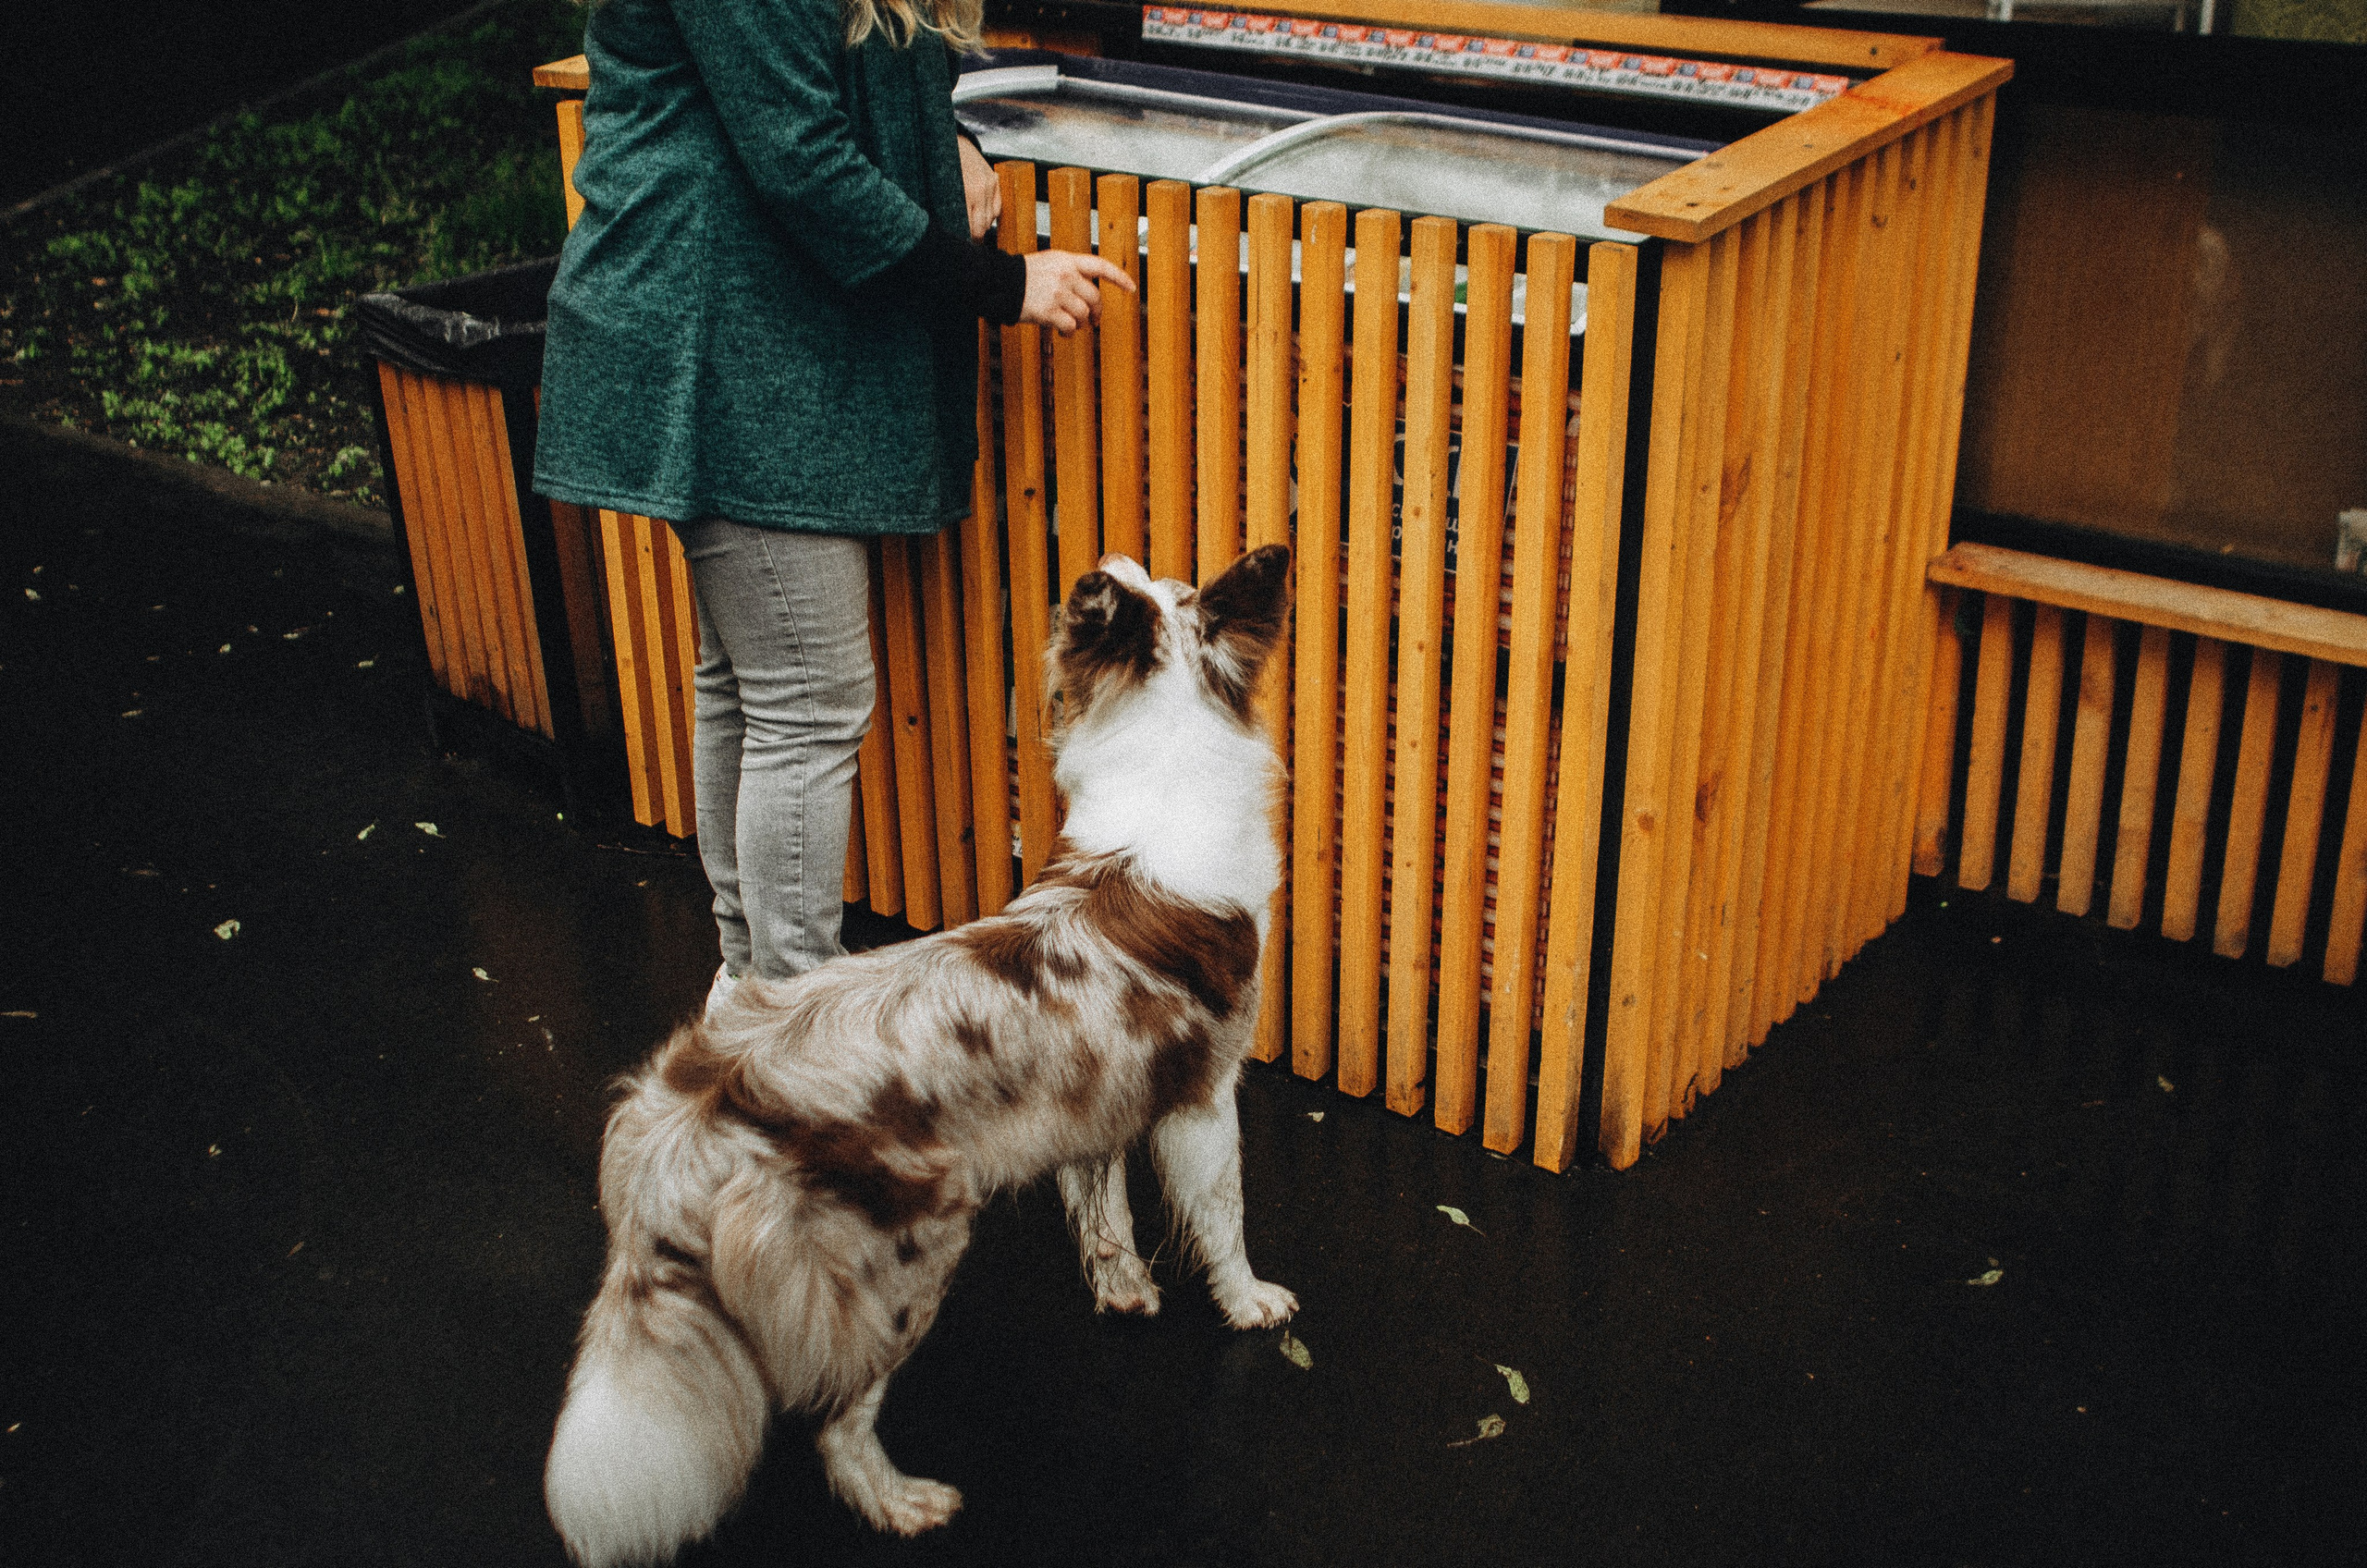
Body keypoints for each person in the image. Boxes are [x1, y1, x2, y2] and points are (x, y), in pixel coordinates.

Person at [533, 0, 1130, 1014]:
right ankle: (792, 1027)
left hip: (749, 335)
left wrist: (955, 136)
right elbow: (803, 161)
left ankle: (750, 992)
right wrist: (1003, 283)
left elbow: (850, 81)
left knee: (753, 686)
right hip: (717, 344)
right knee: (807, 701)